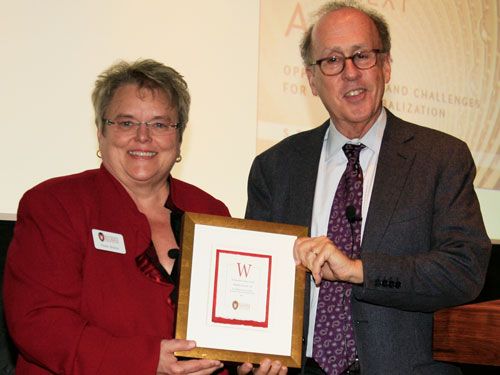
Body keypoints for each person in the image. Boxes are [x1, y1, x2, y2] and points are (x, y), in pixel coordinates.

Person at [245, 1, 491, 374]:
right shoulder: (275, 167)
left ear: (386, 66)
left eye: (362, 56)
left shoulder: (441, 158)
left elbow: (463, 271)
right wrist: (250, 351)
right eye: (331, 60)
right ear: (311, 80)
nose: (350, 73)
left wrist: (358, 270)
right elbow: (255, 279)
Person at [4, 59, 232, 374]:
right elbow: (38, 322)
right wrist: (147, 359)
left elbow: (226, 332)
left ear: (179, 138)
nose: (142, 137)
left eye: (160, 124)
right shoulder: (54, 205)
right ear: (100, 132)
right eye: (125, 123)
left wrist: (246, 362)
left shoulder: (211, 212)